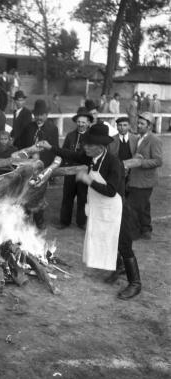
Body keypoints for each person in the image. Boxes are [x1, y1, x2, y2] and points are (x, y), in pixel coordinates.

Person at [41, 123, 142, 300]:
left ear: (100, 147)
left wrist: (88, 180)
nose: (84, 147)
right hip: (102, 208)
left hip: (117, 210)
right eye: (85, 144)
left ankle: (135, 283)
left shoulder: (114, 163)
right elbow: (72, 154)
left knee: (124, 245)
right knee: (110, 240)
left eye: (89, 145)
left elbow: (111, 191)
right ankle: (119, 268)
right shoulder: (90, 157)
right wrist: (51, 148)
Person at [126, 112, 162, 240]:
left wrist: (141, 162)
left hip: (145, 180)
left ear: (149, 126)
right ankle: (146, 229)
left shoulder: (154, 140)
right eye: (138, 123)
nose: (139, 125)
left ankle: (134, 233)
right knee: (144, 206)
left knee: (133, 206)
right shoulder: (137, 138)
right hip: (135, 178)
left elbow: (158, 161)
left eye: (142, 124)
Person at [57, 107, 93, 230]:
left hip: (84, 172)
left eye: (83, 122)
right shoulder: (70, 135)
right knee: (67, 196)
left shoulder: (91, 137)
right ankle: (64, 221)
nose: (80, 124)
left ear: (88, 123)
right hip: (70, 171)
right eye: (78, 122)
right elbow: (64, 151)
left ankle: (81, 222)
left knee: (83, 197)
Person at [20, 99, 59, 167]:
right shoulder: (28, 127)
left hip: (45, 165)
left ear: (46, 115)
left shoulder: (53, 129)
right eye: (36, 115)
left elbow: (55, 149)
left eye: (41, 115)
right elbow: (20, 145)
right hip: (28, 164)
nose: (39, 117)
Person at [109, 117, 138, 195]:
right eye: (120, 125)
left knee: (131, 193)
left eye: (125, 125)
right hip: (117, 170)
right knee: (118, 192)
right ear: (117, 126)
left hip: (132, 170)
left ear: (129, 126)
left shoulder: (135, 139)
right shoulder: (111, 140)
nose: (122, 128)